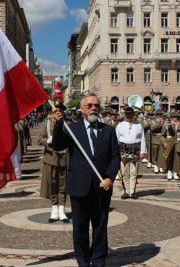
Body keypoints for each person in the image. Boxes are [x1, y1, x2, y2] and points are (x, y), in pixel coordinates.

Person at [52, 93, 121, 267]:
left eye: (96, 105)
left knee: (99, 227)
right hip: (79, 186)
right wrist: (58, 124)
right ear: (82, 109)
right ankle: (83, 261)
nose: (93, 108)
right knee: (80, 228)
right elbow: (58, 145)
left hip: (102, 186)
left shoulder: (108, 130)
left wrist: (109, 177)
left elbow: (115, 157)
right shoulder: (72, 129)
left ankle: (98, 260)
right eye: (89, 105)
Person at [37, 104, 69, 223]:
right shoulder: (47, 123)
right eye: (56, 111)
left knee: (63, 185)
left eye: (61, 111)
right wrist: (49, 140)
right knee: (52, 185)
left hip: (64, 158)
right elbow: (39, 139)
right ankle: (54, 210)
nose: (58, 113)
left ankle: (62, 210)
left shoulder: (68, 123)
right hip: (50, 158)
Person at [116, 107, 146, 199]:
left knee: (133, 172)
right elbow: (116, 139)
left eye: (131, 114)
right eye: (127, 114)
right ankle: (126, 191)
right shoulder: (120, 125)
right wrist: (116, 152)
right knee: (124, 172)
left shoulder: (139, 125)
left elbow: (142, 139)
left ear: (133, 114)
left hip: (135, 151)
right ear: (125, 114)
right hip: (123, 151)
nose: (129, 116)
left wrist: (143, 151)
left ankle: (132, 191)